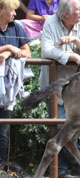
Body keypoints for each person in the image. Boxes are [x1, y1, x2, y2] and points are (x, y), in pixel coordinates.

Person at [40, 0, 80, 178]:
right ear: (65, 14)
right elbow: (46, 50)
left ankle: (71, 166)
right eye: (78, 10)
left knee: (73, 127)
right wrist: (71, 56)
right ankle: (63, 168)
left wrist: (76, 42)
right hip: (56, 85)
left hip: (78, 89)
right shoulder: (50, 23)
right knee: (59, 127)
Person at [0, 0, 31, 163]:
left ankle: (2, 167)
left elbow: (28, 52)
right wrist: (9, 48)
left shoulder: (16, 27)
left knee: (4, 131)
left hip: (7, 89)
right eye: (12, 10)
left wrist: (10, 54)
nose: (14, 14)